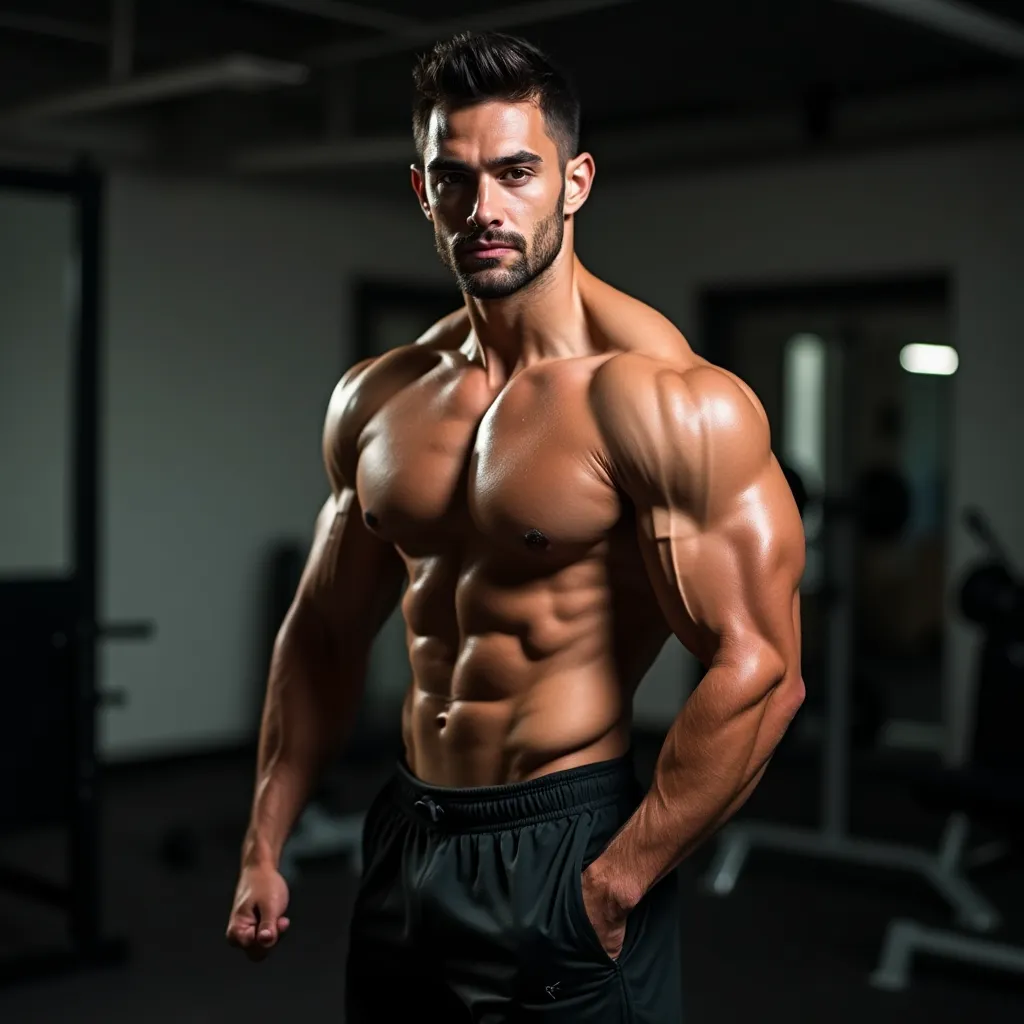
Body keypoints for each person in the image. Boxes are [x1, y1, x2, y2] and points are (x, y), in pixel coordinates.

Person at [226, 30, 806, 1023]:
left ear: (574, 182)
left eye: (515, 172)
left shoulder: (660, 399)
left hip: (564, 835)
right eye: (454, 179)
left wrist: (621, 877)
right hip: (409, 828)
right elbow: (323, 631)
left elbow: (761, 667)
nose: (483, 207)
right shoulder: (381, 396)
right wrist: (262, 842)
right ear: (421, 191)